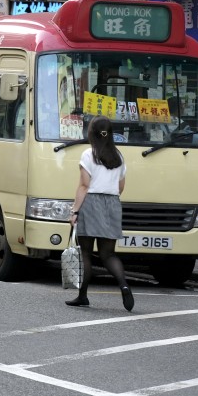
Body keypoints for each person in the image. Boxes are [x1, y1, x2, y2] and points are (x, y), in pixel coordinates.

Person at [66, 115, 133, 311]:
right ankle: (124, 285)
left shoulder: (89, 154)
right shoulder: (118, 156)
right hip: (112, 203)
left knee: (85, 252)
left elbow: (84, 186)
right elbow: (121, 187)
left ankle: (83, 295)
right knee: (108, 254)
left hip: (92, 202)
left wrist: (75, 211)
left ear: (91, 133)